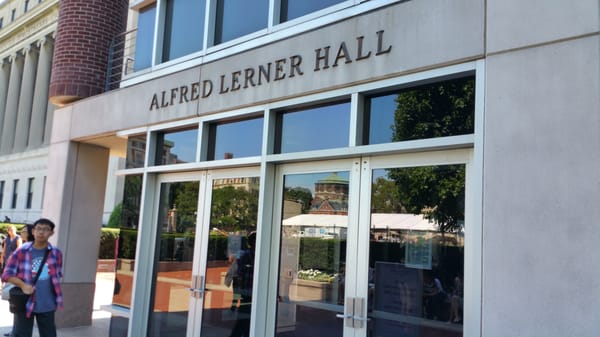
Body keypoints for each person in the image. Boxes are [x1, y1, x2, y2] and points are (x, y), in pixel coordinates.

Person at [1, 218, 64, 337]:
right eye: (39, 229)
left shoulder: (57, 253)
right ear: (33, 231)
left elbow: (57, 277)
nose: (41, 232)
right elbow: (6, 275)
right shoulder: (21, 251)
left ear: (51, 233)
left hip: (48, 304)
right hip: (25, 302)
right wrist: (23, 285)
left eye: (46, 229)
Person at [229, 232, 255, 337]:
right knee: (244, 318)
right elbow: (239, 272)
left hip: (249, 290)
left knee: (246, 319)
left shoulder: (249, 254)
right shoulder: (247, 255)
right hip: (248, 291)